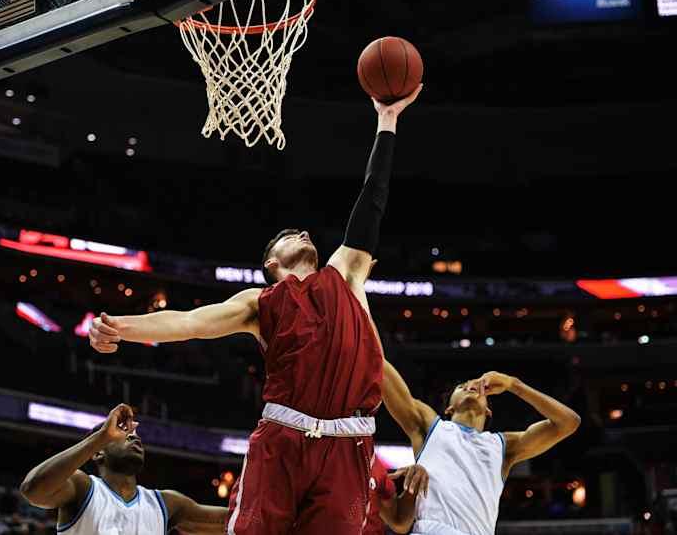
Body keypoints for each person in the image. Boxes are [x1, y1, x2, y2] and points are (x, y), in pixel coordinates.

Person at [89, 86, 422, 534]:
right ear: (270, 263)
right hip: (282, 441)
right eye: (289, 234)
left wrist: (387, 122)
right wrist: (118, 326)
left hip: (350, 443)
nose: (302, 232)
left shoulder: (346, 274)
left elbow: (372, 201)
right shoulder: (258, 303)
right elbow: (188, 323)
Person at [379, 363, 581, 535]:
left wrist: (513, 384)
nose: (470, 387)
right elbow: (381, 367)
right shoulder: (431, 427)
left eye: (476, 386)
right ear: (449, 408)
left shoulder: (503, 447)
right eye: (461, 386)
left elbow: (568, 422)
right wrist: (364, 325)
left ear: (488, 410)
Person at [19, 404, 227, 534]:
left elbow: (236, 522)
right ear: (98, 452)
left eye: (135, 436)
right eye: (123, 435)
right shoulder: (83, 487)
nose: (134, 438)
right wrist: (102, 436)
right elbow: (32, 490)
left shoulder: (166, 503)